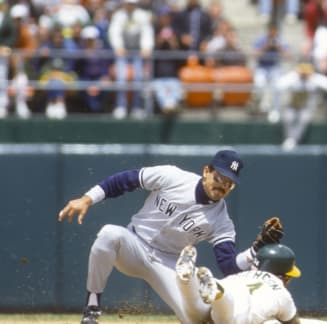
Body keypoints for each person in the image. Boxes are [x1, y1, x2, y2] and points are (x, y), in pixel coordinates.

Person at [57, 150, 284, 324]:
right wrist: (87, 198)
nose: (222, 185)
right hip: (133, 245)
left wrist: (255, 249)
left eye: (229, 183)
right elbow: (125, 181)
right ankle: (92, 306)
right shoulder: (174, 176)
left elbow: (228, 266)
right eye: (219, 177)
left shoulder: (222, 221)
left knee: (197, 318)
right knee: (109, 234)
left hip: (169, 265)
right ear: (206, 171)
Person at [175, 243, 304, 324]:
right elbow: (293, 322)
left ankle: (190, 278)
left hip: (225, 288)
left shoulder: (243, 275)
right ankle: (218, 292)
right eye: (288, 278)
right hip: (240, 314)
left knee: (195, 310)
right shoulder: (281, 293)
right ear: (282, 276)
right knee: (227, 318)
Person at [108, 0, 154, 119]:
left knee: (138, 78)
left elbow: (147, 32)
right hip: (122, 53)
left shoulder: (142, 15)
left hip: (137, 52)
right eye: (128, 3)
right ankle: (121, 106)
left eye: (132, 3)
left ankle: (136, 107)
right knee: (121, 78)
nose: (130, 5)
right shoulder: (118, 15)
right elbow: (114, 32)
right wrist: (118, 46)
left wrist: (146, 47)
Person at [276, 60, 327, 151]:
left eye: (305, 73)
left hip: (306, 107)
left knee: (304, 119)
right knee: (288, 118)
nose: (303, 75)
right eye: (302, 73)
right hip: (292, 105)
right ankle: (291, 139)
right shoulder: (293, 78)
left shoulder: (314, 79)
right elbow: (279, 85)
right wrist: (294, 77)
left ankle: (293, 140)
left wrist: (314, 78)